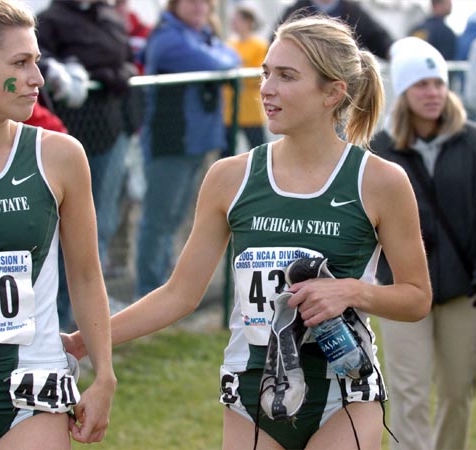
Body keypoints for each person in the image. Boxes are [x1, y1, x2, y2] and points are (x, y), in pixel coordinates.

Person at [63, 14, 432, 449]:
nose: (267, 89)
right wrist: (86, 341)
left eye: (287, 76)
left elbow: (416, 297)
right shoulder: (230, 177)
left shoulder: (380, 181)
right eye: (266, 73)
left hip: (344, 394)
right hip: (252, 396)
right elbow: (179, 294)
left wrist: (352, 291)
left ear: (333, 93)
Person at [0, 1, 116, 449]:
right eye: (21, 63)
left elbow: (85, 273)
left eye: (36, 60)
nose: (38, 77)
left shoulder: (59, 155)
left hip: (33, 392)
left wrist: (105, 377)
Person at [371, 36, 476, 450]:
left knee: (457, 392)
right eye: (421, 84)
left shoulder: (473, 143)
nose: (433, 92)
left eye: (438, 82)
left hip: (462, 292)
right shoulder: (380, 151)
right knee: (409, 392)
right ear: (403, 91)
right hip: (400, 291)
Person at [36, 0, 134, 327]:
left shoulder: (109, 16)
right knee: (66, 238)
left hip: (110, 134)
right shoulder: (49, 20)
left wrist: (110, 74)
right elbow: (39, 61)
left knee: (100, 228)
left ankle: (85, 325)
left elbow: (128, 61)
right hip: (67, 138)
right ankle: (60, 323)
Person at [135, 0, 240, 297]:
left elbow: (232, 56)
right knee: (158, 220)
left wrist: (220, 54)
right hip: (170, 143)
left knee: (177, 218)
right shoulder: (167, 38)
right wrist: (219, 55)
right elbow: (219, 63)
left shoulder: (204, 36)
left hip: (198, 144)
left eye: (203, 2)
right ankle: (147, 291)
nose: (198, 6)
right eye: (189, 1)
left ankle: (165, 290)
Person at [272, 0, 394, 60]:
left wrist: (395, 51)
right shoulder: (295, 11)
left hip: (347, 80)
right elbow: (275, 43)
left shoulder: (354, 11)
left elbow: (379, 40)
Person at [222, 3, 268, 157]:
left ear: (248, 22)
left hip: (251, 110)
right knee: (227, 154)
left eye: (237, 20)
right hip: (229, 111)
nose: (233, 24)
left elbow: (260, 74)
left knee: (258, 152)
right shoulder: (229, 44)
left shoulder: (259, 45)